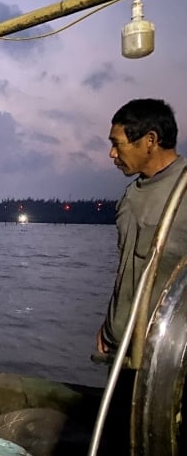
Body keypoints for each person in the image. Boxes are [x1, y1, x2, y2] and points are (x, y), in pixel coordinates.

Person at [97, 98, 187, 356]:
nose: (112, 154)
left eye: (117, 144)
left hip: (165, 353)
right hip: (120, 347)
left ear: (150, 140)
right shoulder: (130, 196)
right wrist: (110, 323)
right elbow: (127, 271)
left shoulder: (183, 190)